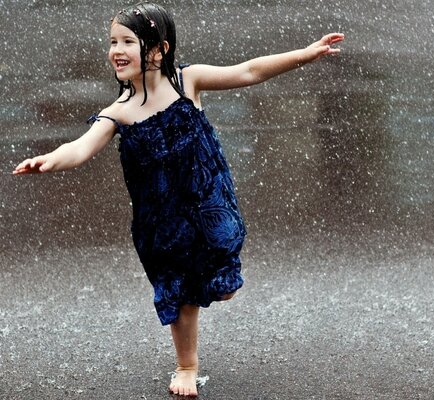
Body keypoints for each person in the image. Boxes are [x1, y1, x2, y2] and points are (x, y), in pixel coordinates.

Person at [13, 2, 343, 397]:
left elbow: (249, 70)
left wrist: (306, 54)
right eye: (112, 42)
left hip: (209, 203)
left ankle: (214, 284)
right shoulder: (118, 113)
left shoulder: (188, 82)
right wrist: (51, 159)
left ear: (158, 49)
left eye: (128, 42)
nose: (116, 50)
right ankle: (186, 365)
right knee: (179, 290)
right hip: (161, 219)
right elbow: (81, 148)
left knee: (222, 283)